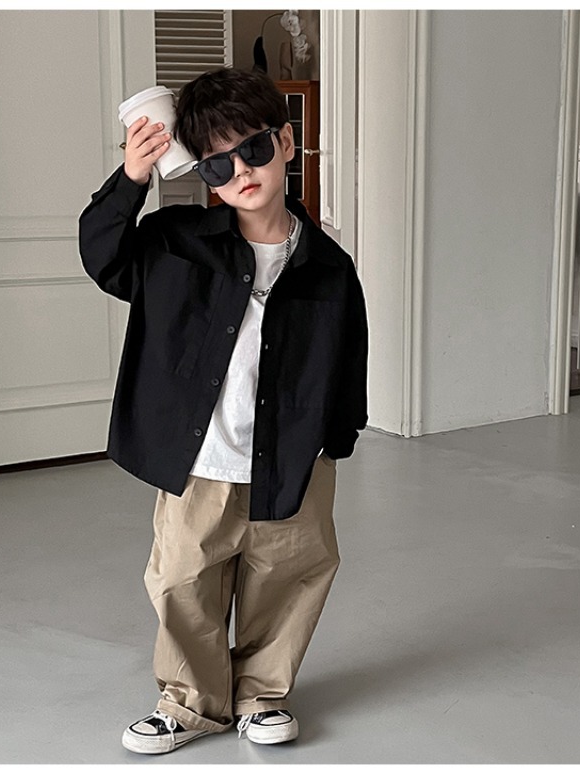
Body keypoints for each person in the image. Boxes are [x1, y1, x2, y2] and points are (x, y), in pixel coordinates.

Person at [78, 67, 369, 755]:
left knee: (287, 577)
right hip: (202, 459)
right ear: (204, 174)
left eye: (254, 149)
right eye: (216, 162)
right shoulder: (174, 242)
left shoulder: (329, 265)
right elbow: (103, 255)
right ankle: (190, 701)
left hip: (293, 460)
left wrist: (337, 439)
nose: (240, 171)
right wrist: (133, 177)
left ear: (286, 143)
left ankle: (262, 694)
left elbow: (348, 355)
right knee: (184, 580)